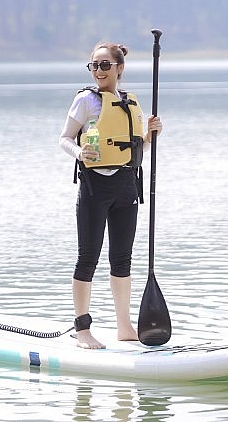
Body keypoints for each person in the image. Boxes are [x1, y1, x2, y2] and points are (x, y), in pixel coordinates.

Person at [58, 41, 163, 349]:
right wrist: (79, 152)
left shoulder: (132, 102)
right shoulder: (85, 101)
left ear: (120, 68)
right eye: (94, 65)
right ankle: (83, 330)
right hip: (95, 187)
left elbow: (138, 149)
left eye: (105, 65)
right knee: (87, 258)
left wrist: (152, 136)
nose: (99, 71)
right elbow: (64, 138)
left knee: (122, 259)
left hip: (126, 185)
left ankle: (124, 326)